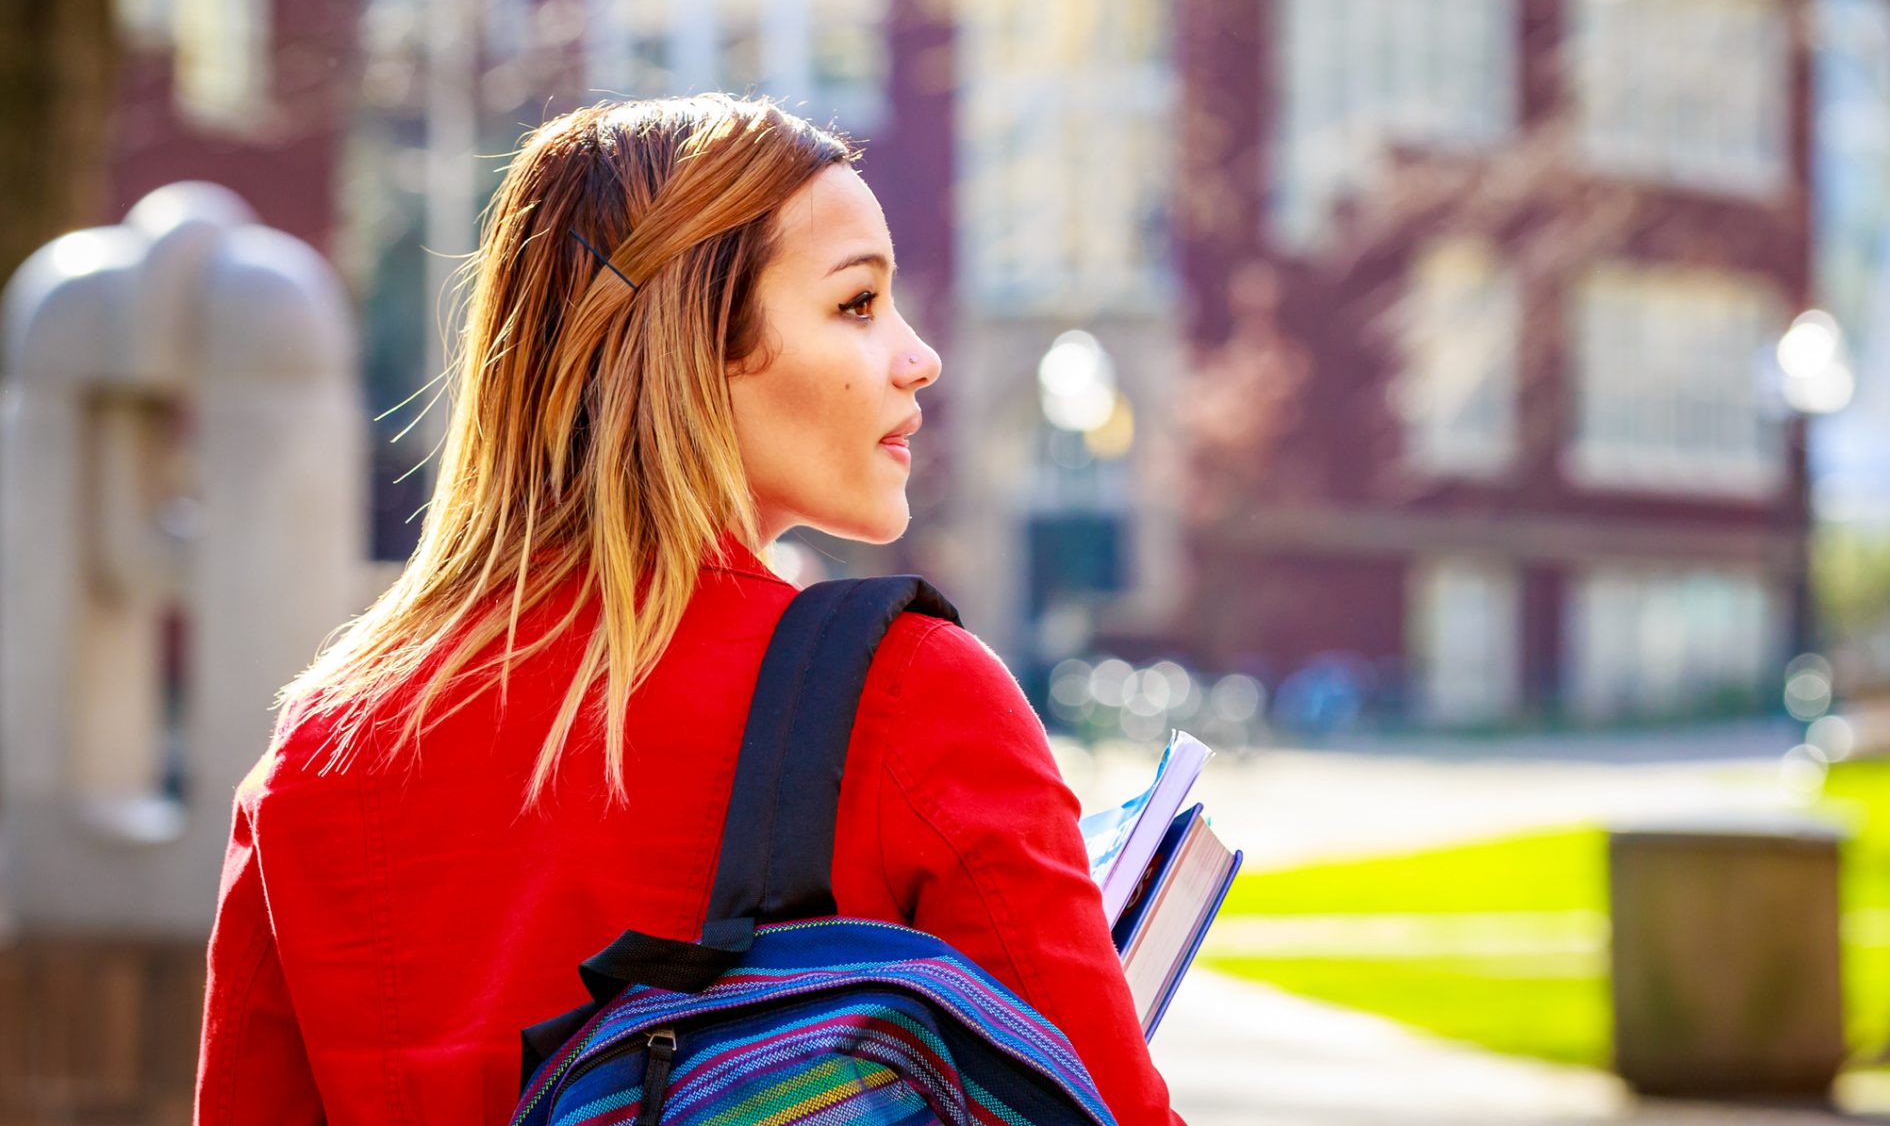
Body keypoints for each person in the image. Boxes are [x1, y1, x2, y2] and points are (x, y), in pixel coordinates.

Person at [193, 94, 1184, 1126]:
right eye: (856, 304)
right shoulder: (910, 700)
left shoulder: (321, 752)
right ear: (698, 345)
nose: (916, 355)